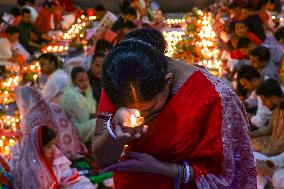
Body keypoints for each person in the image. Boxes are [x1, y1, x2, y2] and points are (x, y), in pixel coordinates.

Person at [92, 39, 256, 188]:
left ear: (167, 80)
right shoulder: (122, 80)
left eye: (150, 108)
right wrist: (115, 129)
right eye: (131, 108)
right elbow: (102, 158)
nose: (141, 115)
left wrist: (160, 168)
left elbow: (226, 173)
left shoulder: (215, 98)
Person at [10, 125, 95, 189]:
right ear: (37, 148)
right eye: (48, 146)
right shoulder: (31, 170)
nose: (53, 149)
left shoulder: (54, 158)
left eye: (53, 145)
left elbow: (67, 174)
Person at [15, 86, 85, 160]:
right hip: (73, 149)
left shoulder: (30, 117)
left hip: (55, 155)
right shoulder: (52, 106)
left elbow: (30, 142)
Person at [61, 67, 97, 143]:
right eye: (81, 80)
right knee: (101, 122)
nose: (85, 83)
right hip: (74, 130)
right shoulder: (72, 96)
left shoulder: (87, 90)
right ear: (73, 82)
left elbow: (92, 110)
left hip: (85, 124)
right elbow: (84, 119)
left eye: (87, 79)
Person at [251, 79, 284, 156]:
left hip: (278, 152)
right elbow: (268, 129)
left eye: (264, 100)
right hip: (272, 144)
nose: (263, 103)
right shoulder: (277, 109)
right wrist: (250, 134)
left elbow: (281, 147)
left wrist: (263, 150)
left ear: (273, 97)